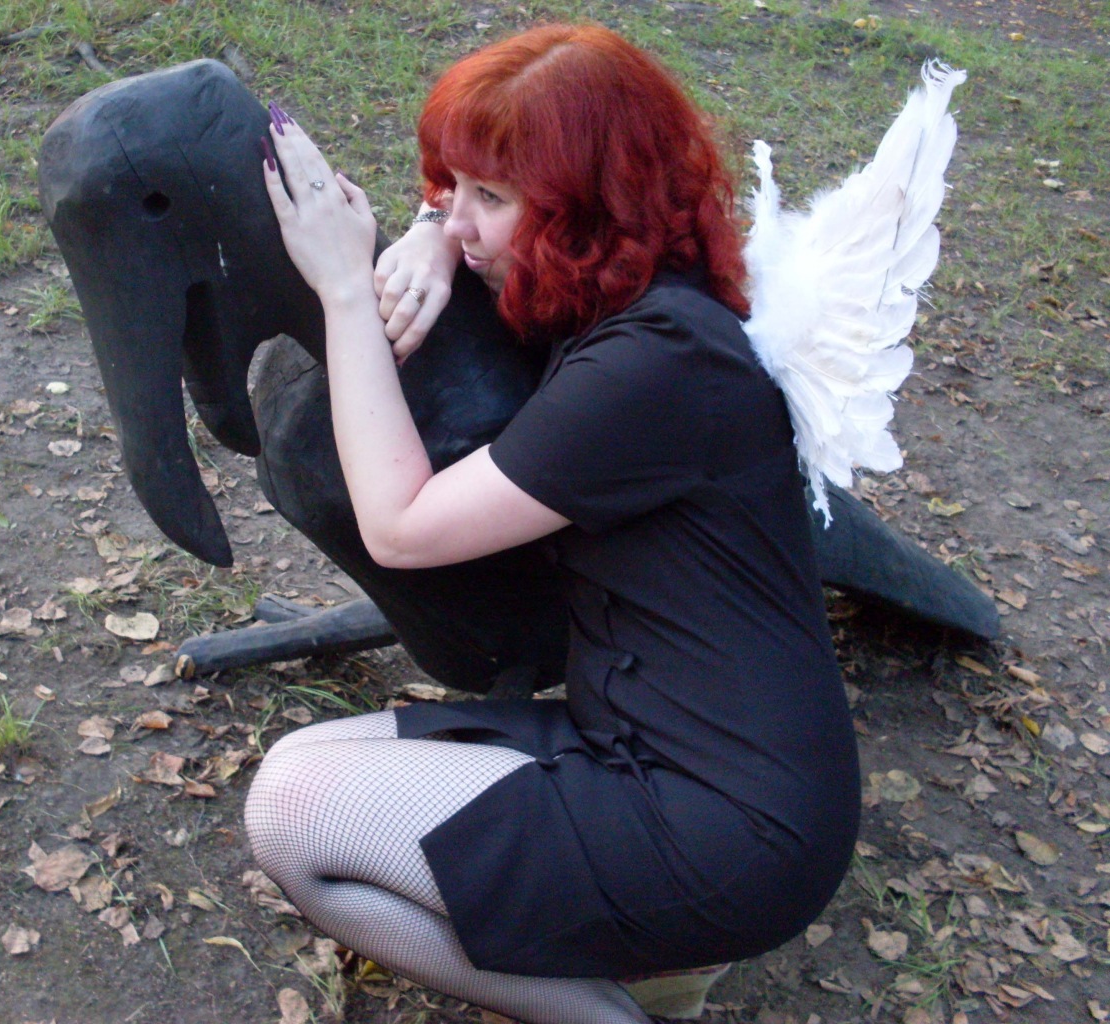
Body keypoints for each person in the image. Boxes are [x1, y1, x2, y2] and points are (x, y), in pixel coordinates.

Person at [245, 23, 860, 1024]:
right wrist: (433, 228)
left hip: (731, 821)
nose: (462, 220)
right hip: (634, 735)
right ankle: (629, 963)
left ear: (588, 208)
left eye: (490, 198)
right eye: (452, 185)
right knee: (299, 770)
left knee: (292, 815)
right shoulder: (627, 287)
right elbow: (468, 220)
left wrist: (347, 290)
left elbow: (398, 527)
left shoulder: (656, 364)